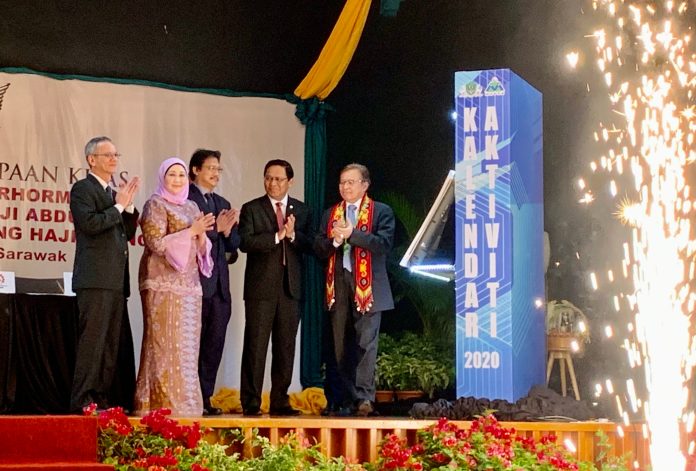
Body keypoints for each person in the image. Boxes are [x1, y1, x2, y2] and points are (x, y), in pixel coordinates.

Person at [133, 157, 215, 416]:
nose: (177, 180)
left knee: (186, 346)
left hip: (189, 284)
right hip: (162, 283)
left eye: (181, 175)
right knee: (162, 343)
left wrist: (201, 235)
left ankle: (185, 404)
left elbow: (201, 244)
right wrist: (191, 232)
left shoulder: (191, 206)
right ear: (162, 177)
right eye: (172, 175)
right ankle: (158, 404)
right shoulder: (155, 204)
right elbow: (155, 243)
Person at [314, 163, 395, 417]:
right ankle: (343, 399)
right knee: (340, 345)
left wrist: (353, 234)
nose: (345, 187)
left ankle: (364, 399)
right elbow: (318, 248)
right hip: (338, 283)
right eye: (342, 182)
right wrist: (335, 240)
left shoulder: (381, 211)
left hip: (369, 287)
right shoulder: (331, 213)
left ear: (365, 185)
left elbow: (383, 244)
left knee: (365, 344)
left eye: (351, 182)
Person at [70, 136, 141, 413]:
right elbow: (90, 224)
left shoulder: (113, 193)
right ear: (92, 160)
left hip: (115, 281)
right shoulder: (83, 189)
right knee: (93, 343)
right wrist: (119, 206)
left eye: (115, 155)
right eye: (107, 155)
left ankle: (100, 398)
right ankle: (82, 400)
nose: (114, 159)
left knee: (110, 345)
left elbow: (128, 233)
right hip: (95, 279)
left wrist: (129, 206)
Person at [238, 159, 313, 416]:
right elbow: (245, 242)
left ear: (290, 181)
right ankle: (251, 402)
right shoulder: (252, 208)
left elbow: (311, 245)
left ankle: (280, 401)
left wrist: (292, 235)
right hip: (260, 289)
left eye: (279, 179)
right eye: (268, 178)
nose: (273, 183)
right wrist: (277, 236)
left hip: (291, 288)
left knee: (285, 346)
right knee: (256, 346)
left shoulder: (301, 210)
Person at [187, 149, 240, 416]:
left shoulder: (222, 202)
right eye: (210, 168)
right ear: (195, 170)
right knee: (192, 345)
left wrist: (227, 232)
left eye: (218, 169)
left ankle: (205, 397)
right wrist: (216, 231)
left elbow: (234, 245)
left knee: (213, 344)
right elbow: (187, 240)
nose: (215, 173)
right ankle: (190, 397)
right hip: (196, 284)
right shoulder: (187, 200)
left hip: (220, 286)